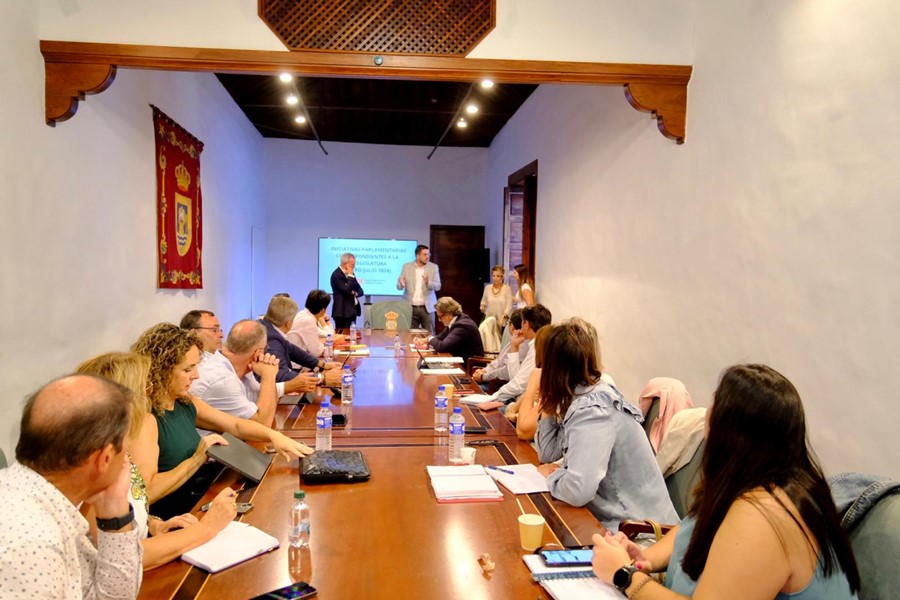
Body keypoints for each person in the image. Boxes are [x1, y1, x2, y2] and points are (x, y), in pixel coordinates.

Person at [591, 364, 861, 599]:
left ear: (729, 433)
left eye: (714, 404)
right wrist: (644, 559)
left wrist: (624, 576)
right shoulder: (749, 483)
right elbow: (692, 526)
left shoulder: (765, 513)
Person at [132, 323, 314, 519]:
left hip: (203, 493)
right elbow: (145, 493)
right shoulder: (145, 418)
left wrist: (274, 436)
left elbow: (234, 424)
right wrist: (196, 459)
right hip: (179, 514)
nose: (196, 375)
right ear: (162, 370)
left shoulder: (183, 401)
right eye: (188, 369)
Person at [76, 352, 237, 571]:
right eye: (145, 388)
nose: (149, 397)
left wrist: (154, 525)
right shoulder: (95, 469)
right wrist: (207, 527)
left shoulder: (117, 451)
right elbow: (124, 557)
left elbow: (131, 507)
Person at [0, 375, 143, 598]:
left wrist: (114, 509)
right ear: (104, 458)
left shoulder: (36, 495)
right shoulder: (32, 545)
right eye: (125, 443)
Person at [534, 320, 677, 531]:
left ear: (552, 368)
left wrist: (553, 475)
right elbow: (547, 454)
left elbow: (578, 489)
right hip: (615, 521)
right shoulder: (581, 396)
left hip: (638, 532)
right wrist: (548, 403)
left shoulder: (592, 408)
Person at [512, 318, 616, 441]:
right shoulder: (597, 380)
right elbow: (548, 451)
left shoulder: (574, 385)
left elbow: (523, 431)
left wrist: (532, 386)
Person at [191, 320, 288, 427]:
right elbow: (262, 424)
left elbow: (264, 402)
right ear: (258, 353)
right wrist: (269, 375)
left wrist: (268, 377)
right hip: (209, 442)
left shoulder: (241, 368)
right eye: (265, 349)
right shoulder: (222, 379)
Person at [475, 304, 552, 411]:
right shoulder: (535, 343)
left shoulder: (536, 347)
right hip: (519, 399)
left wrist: (494, 397)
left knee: (485, 412)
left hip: (528, 404)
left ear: (526, 324)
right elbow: (517, 378)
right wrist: (514, 347)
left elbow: (520, 384)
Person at [259, 295, 342, 389]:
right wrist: (322, 378)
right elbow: (283, 377)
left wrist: (323, 364)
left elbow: (293, 351)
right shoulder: (272, 341)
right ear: (288, 323)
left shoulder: (268, 327)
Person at [413, 297, 484, 363]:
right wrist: (425, 340)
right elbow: (441, 337)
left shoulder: (462, 326)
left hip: (468, 366)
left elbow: (442, 347)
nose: (439, 320)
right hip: (458, 361)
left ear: (449, 313)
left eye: (440, 317)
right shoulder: (457, 320)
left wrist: (430, 339)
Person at [472, 309, 525, 387]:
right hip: (491, 378)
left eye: (508, 323)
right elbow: (498, 362)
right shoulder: (514, 339)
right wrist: (484, 371)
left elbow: (506, 372)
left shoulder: (522, 344)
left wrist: (483, 376)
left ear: (512, 327)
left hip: (498, 384)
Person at [397, 244, 442, 332]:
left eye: (428, 254)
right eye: (424, 254)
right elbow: (398, 286)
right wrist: (401, 285)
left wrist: (428, 283)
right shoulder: (407, 267)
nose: (427, 257)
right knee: (408, 335)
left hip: (427, 308)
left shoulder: (433, 267)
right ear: (418, 256)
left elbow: (438, 286)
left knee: (430, 334)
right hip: (410, 307)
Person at [288, 289, 345, 356]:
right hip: (298, 364)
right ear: (323, 310)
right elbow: (317, 351)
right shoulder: (307, 321)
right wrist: (332, 342)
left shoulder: (303, 314)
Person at [330, 253, 365, 330]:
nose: (354, 267)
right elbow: (347, 291)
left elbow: (360, 290)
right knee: (343, 338)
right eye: (352, 265)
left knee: (352, 336)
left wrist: (355, 293)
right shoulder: (337, 275)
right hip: (342, 312)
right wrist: (350, 276)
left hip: (352, 311)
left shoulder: (351, 275)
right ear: (345, 264)